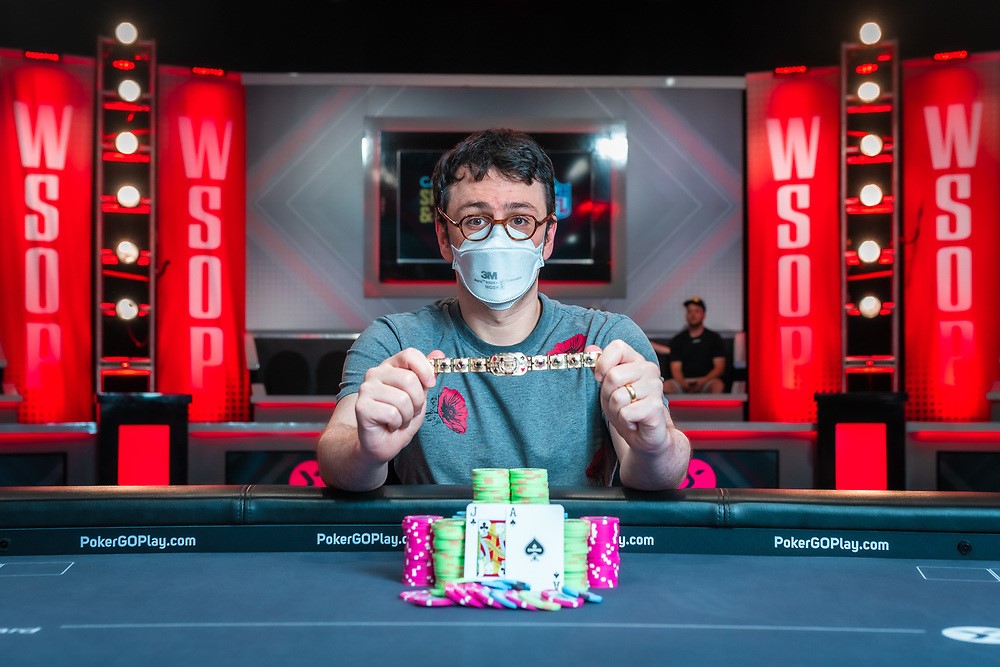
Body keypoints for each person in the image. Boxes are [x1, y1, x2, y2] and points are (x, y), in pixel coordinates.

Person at [317, 128, 690, 492]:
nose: (499, 237)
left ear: (548, 237)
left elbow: (662, 475)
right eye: (475, 220)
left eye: (520, 220)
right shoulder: (395, 342)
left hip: (572, 536)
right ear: (444, 237)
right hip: (440, 536)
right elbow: (335, 457)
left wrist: (655, 446)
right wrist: (366, 452)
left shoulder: (609, 340)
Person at [663, 297, 726, 394]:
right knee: (665, 386)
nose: (693, 315)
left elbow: (719, 368)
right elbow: (675, 368)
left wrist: (703, 381)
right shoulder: (677, 340)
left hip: (707, 381)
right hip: (683, 382)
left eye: (697, 311)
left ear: (704, 314)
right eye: (689, 311)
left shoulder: (714, 338)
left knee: (718, 385)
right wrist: (684, 384)